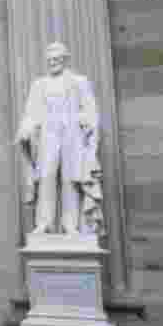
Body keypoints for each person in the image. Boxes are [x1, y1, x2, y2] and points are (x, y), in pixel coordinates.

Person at [16, 42, 103, 234]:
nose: (53, 62)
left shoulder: (79, 81)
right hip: (48, 136)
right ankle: (44, 223)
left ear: (64, 60)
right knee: (46, 177)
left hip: (72, 136)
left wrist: (87, 123)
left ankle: (69, 225)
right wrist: (26, 129)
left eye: (57, 59)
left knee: (69, 179)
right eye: (50, 60)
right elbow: (31, 112)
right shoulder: (39, 85)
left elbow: (90, 110)